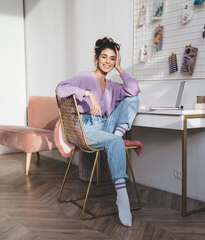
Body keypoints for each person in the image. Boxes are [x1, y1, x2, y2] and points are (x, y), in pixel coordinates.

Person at [55, 37, 141, 227]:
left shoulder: (112, 86)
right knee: (116, 143)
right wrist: (87, 93)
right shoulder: (85, 77)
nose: (108, 62)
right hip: (85, 128)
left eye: (112, 58)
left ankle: (116, 137)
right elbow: (60, 89)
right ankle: (122, 196)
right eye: (104, 57)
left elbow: (133, 90)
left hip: (106, 126)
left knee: (133, 99)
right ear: (96, 58)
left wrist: (120, 68)